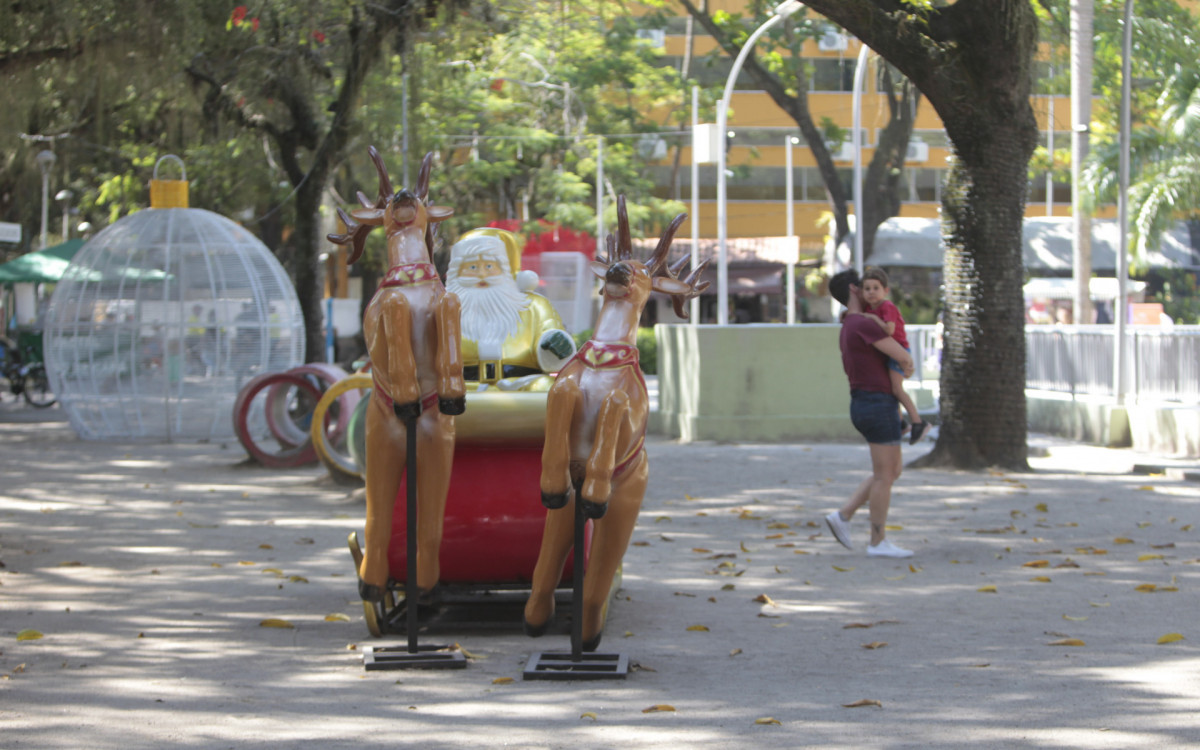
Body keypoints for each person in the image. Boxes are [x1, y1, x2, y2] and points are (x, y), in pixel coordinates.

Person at [824, 268, 917, 559]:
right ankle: (877, 542)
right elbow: (902, 356)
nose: (870, 292)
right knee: (885, 476)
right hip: (876, 403)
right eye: (864, 286)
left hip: (870, 402)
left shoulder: (850, 323)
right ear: (855, 290)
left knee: (889, 472)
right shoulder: (861, 323)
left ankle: (843, 515)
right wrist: (907, 363)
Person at [444, 229, 576, 386]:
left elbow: (550, 332)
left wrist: (556, 343)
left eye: (489, 266)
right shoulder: (444, 311)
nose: (482, 275)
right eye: (472, 267)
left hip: (522, 384)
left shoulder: (534, 306)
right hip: (461, 386)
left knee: (545, 386)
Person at [859, 266, 928, 445]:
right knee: (889, 389)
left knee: (897, 389)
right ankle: (902, 423)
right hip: (888, 353)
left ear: (885, 290)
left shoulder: (886, 306)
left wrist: (874, 319)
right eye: (867, 289)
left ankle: (918, 422)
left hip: (899, 351)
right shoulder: (869, 308)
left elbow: (889, 330)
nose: (871, 292)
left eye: (876, 288)